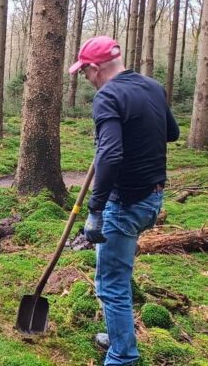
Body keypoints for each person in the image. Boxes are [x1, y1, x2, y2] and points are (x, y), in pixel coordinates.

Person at [69, 36, 179, 365]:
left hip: (124, 204)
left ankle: (122, 356)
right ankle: (120, 333)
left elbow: (112, 155)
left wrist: (95, 209)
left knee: (111, 282)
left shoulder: (109, 96)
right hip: (152, 199)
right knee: (120, 271)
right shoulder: (152, 87)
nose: (86, 79)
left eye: (84, 72)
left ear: (95, 67)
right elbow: (171, 133)